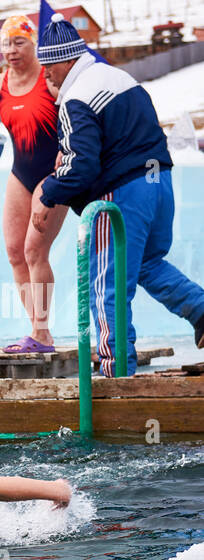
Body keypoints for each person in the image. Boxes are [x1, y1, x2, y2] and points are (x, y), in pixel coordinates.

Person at [32, 13, 204, 376]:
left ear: (66, 60)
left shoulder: (75, 97)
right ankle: (201, 309)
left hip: (126, 192)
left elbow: (82, 165)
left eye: (49, 65)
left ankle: (115, 371)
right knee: (147, 263)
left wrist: (48, 192)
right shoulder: (118, 77)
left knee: (107, 281)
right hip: (159, 180)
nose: (45, 74)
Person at [0, 14, 65, 354]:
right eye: (6, 44)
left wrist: (70, 153)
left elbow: (76, 120)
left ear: (34, 44)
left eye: (19, 42)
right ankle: (38, 332)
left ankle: (42, 331)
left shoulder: (48, 80)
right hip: (21, 174)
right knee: (14, 253)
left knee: (35, 251)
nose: (12, 50)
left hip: (53, 175)